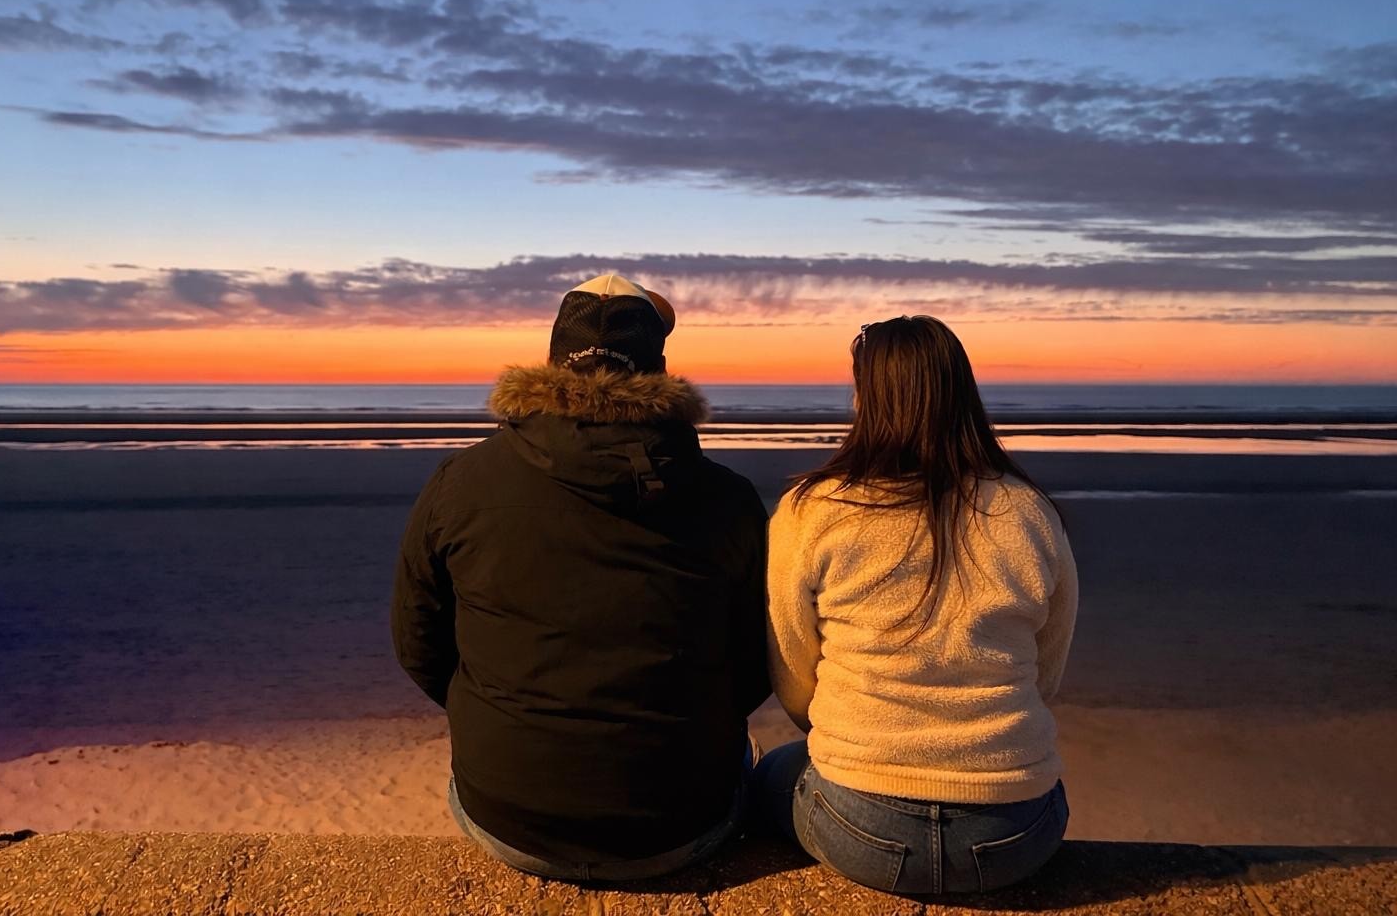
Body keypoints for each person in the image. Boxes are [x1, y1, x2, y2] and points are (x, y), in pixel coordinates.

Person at [392, 273, 770, 881]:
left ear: (549, 362)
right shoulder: (729, 499)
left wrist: (500, 709)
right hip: (681, 824)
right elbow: (756, 661)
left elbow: (419, 643)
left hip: (509, 817)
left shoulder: (459, 483)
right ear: (660, 369)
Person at [757, 315, 1078, 895]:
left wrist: (844, 732)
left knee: (768, 777)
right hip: (1016, 831)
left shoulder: (815, 509)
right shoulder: (1030, 512)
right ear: (961, 392)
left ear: (869, 396)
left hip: (863, 825)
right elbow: (1045, 672)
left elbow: (792, 664)